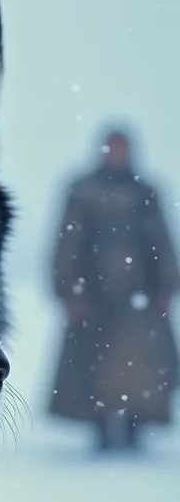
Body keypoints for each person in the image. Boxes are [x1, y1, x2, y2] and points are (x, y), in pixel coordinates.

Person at [48, 126, 180, 451]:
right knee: (94, 365)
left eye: (122, 148)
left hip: (139, 295)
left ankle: (135, 423)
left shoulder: (145, 192)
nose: (116, 154)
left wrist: (166, 286)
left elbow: (161, 242)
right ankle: (102, 426)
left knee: (140, 366)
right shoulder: (83, 191)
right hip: (94, 295)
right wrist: (68, 291)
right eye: (112, 147)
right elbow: (68, 244)